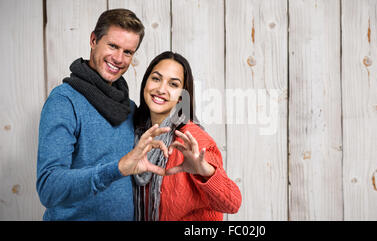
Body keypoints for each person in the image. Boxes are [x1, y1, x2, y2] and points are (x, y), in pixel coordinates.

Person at [36, 9, 170, 220]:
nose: (118, 58)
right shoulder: (64, 101)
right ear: (93, 40)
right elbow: (49, 187)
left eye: (128, 52)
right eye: (113, 46)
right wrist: (116, 169)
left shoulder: (129, 108)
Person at [132, 51, 242, 221]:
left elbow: (232, 204)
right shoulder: (134, 133)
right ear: (145, 82)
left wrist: (204, 171)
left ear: (182, 96)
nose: (161, 89)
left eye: (173, 84)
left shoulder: (192, 139)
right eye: (156, 78)